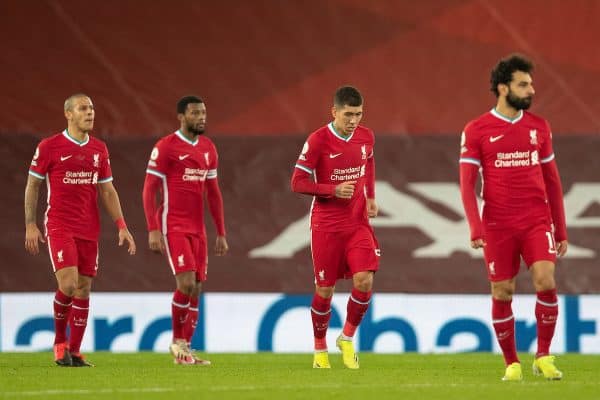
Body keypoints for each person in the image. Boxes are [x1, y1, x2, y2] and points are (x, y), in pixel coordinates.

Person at [459, 54, 568, 381]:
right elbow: (467, 182)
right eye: (524, 84)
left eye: (531, 83)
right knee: (502, 292)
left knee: (546, 281)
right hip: (497, 225)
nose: (531, 90)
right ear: (503, 88)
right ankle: (512, 363)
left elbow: (552, 180)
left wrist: (560, 229)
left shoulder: (539, 127)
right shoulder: (477, 130)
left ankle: (544, 356)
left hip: (536, 220)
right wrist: (475, 225)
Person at [24, 94, 136, 367]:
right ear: (68, 114)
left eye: (92, 108)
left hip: (89, 227)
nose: (90, 113)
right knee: (69, 284)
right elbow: (33, 185)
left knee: (84, 289)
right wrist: (30, 224)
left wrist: (122, 225)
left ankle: (74, 350)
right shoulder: (50, 146)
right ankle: (60, 343)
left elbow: (107, 190)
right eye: (83, 108)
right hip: (60, 225)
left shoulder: (99, 149)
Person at [291, 86, 380, 369]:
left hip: (357, 224)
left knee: (365, 280)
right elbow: (297, 182)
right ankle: (320, 351)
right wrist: (331, 189)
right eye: (348, 114)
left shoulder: (366, 136)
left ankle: (347, 337)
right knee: (325, 290)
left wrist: (371, 198)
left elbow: (369, 161)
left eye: (358, 114)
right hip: (326, 226)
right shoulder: (318, 140)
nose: (353, 120)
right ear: (334, 112)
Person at [143, 95, 228, 365]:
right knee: (186, 283)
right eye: (194, 113)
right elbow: (149, 190)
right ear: (181, 116)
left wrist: (221, 232)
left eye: (203, 112)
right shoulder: (166, 147)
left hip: (198, 228)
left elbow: (213, 193)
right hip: (173, 223)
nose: (201, 117)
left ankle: (186, 350)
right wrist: (153, 229)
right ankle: (177, 342)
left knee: (197, 288)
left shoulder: (208, 148)